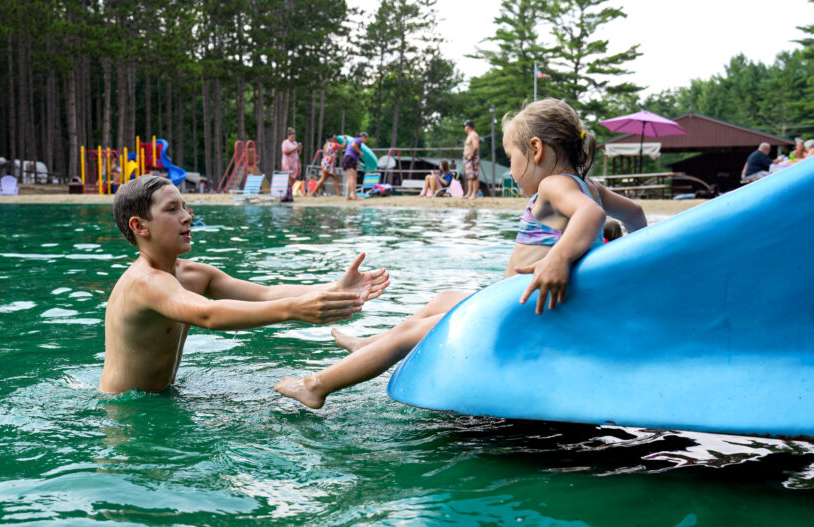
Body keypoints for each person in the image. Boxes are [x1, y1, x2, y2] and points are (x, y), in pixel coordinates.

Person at [275, 98, 648, 409]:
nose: (510, 171)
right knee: (444, 298)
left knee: (411, 331)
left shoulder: (553, 185)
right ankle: (367, 344)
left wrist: (558, 258)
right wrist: (631, 263)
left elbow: (591, 216)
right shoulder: (590, 187)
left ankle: (317, 385)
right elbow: (635, 215)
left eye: (510, 157)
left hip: (518, 313)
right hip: (517, 301)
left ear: (535, 150)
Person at [100, 175, 391, 394]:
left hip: (161, 399)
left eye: (185, 207)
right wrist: (293, 310)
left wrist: (335, 288)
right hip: (123, 415)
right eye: (172, 209)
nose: (187, 216)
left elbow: (265, 294)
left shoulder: (192, 275)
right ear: (140, 226)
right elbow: (208, 315)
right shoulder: (144, 282)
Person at [342, 132, 368, 201]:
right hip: (349, 158)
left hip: (347, 158)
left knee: (350, 177)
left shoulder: (354, 140)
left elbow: (352, 150)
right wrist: (360, 152)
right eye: (366, 139)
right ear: (363, 137)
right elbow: (354, 146)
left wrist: (357, 164)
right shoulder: (359, 140)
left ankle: (347, 196)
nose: (366, 141)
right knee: (352, 177)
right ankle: (354, 195)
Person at [462, 120, 481, 198]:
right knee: (469, 177)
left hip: (472, 158)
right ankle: (469, 193)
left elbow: (476, 146)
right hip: (468, 159)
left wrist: (471, 155)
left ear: (468, 126)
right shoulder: (469, 135)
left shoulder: (473, 135)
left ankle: (474, 194)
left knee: (474, 177)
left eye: (465, 126)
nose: (464, 128)